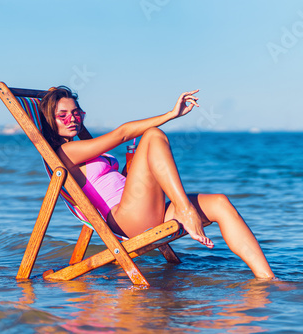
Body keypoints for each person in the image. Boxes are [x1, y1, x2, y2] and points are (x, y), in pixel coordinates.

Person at [39, 86, 275, 279]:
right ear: (51, 120)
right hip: (125, 220)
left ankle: (268, 280)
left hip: (141, 209)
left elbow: (106, 182)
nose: (73, 118)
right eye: (63, 115)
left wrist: (133, 168)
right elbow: (121, 134)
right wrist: (171, 115)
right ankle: (185, 209)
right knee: (152, 134)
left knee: (220, 204)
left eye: (77, 112)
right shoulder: (65, 153)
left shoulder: (82, 149)